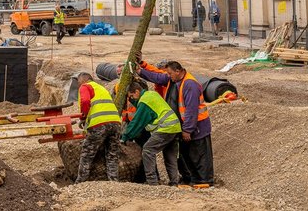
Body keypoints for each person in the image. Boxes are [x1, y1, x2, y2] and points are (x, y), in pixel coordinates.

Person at [138, 60, 213, 188]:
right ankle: (194, 180)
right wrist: (141, 69)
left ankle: (205, 182)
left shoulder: (190, 85)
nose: (168, 76)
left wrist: (187, 130)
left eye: (170, 73)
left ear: (178, 71)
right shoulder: (176, 80)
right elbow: (157, 76)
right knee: (188, 155)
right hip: (184, 126)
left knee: (200, 156)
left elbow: (191, 110)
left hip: (198, 127)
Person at [121, 82, 181, 187]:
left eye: (131, 96)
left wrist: (125, 136)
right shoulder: (151, 94)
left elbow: (137, 122)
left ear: (137, 91)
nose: (131, 99)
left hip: (165, 128)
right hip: (175, 127)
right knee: (170, 155)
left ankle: (152, 182)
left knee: (148, 150)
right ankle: (174, 182)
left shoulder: (144, 101)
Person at [74, 72, 122, 183]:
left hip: (99, 124)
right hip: (115, 123)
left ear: (83, 80)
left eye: (78, 82)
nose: (78, 85)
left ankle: (80, 182)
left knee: (87, 154)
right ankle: (114, 182)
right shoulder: (101, 88)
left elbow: (85, 101)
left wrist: (84, 117)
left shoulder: (85, 86)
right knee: (112, 154)